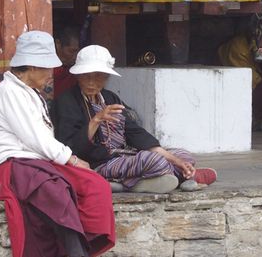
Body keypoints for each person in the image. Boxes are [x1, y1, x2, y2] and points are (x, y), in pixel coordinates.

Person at [0, 31, 120, 257]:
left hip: (35, 162)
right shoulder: (10, 91)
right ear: (31, 67)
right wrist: (72, 159)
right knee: (55, 187)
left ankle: (77, 250)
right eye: (46, 69)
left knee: (93, 183)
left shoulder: (32, 93)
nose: (51, 75)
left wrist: (71, 163)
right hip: (7, 164)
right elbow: (36, 139)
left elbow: (42, 143)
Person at [52, 45, 217, 193]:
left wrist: (177, 160)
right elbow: (69, 146)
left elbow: (135, 133)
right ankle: (178, 178)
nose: (91, 82)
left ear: (106, 77)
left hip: (126, 156)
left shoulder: (110, 98)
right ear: (78, 75)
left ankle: (135, 182)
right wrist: (96, 120)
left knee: (183, 155)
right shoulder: (66, 101)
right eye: (86, 76)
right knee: (155, 162)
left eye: (99, 77)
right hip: (99, 164)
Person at [52, 24, 81, 99]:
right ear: (58, 44)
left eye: (77, 52)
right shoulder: (46, 69)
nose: (75, 57)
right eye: (71, 51)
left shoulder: (76, 71)